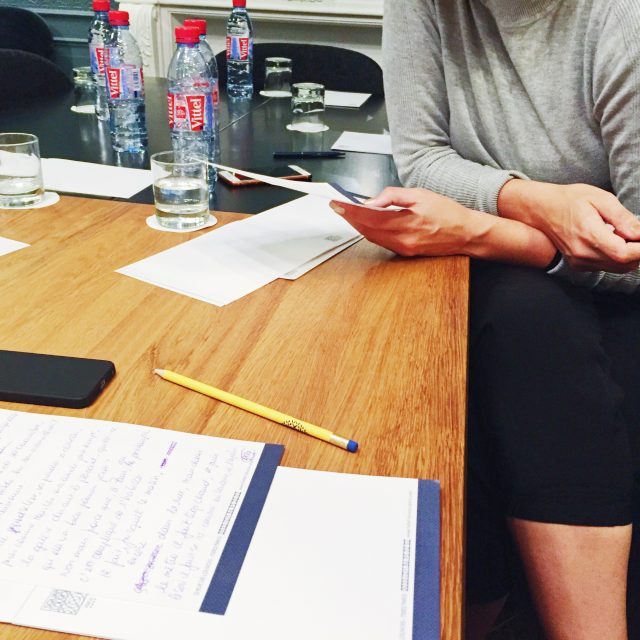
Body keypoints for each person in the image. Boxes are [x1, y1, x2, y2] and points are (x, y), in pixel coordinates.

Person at [330, 1, 640, 639]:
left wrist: (490, 233)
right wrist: (536, 202)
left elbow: (633, 250)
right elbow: (423, 159)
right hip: (495, 269)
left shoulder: (620, 19)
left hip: (606, 287)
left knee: (535, 335)